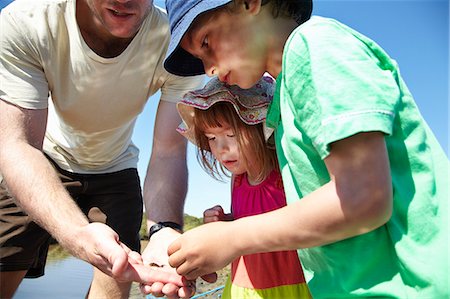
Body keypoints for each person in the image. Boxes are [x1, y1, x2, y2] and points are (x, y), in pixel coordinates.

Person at [159, 0, 449, 298]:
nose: (210, 69)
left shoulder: (314, 44)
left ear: (250, 3)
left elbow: (363, 198)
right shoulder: (284, 102)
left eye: (206, 42)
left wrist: (232, 238)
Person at [0, 0, 205, 298]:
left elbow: (168, 151)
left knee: (117, 280)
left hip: (116, 170)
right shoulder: (27, 21)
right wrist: (78, 235)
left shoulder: (180, 41)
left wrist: (163, 230)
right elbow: (16, 145)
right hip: (41, 163)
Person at [175, 76, 311, 298]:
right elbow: (245, 223)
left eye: (231, 134)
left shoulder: (284, 171)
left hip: (292, 286)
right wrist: (224, 223)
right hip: (242, 287)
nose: (221, 148)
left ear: (260, 125)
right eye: (211, 138)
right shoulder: (237, 179)